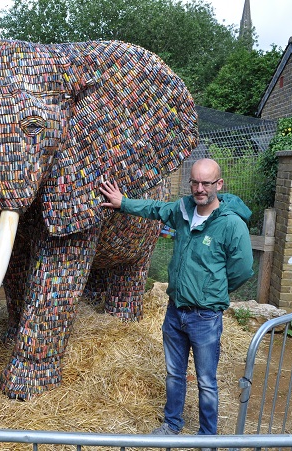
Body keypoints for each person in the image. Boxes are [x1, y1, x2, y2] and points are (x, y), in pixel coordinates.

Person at [99, 158, 254, 437]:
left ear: (218, 184)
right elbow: (155, 209)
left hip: (205, 316)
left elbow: (242, 269)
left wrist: (213, 289)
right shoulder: (183, 210)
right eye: (194, 182)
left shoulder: (231, 224)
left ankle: (208, 437)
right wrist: (123, 203)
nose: (199, 188)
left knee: (206, 381)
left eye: (206, 183)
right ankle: (172, 425)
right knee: (174, 373)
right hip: (175, 311)